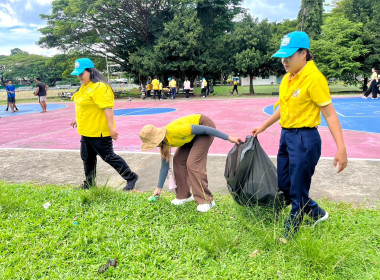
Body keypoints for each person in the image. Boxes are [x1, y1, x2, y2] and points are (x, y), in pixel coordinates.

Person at [252, 31, 348, 238]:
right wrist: (263, 126)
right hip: (286, 137)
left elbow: (330, 115)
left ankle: (291, 230)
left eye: (289, 56)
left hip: (305, 140)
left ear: (303, 53)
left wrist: (341, 148)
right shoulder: (288, 78)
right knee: (285, 185)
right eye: (282, 57)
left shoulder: (314, 79)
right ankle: (317, 212)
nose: (284, 61)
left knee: (297, 188)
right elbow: (283, 108)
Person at [139, 114, 241, 212]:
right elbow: (164, 167)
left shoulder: (174, 131)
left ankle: (207, 200)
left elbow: (206, 130)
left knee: (193, 163)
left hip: (204, 126)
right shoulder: (163, 143)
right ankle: (184, 196)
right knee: (178, 160)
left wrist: (229, 138)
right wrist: (159, 188)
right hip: (192, 136)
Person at [70, 58, 138, 190]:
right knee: (87, 158)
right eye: (77, 75)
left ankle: (131, 177)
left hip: (99, 131)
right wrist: (78, 119)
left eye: (81, 74)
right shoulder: (84, 87)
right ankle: (89, 184)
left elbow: (108, 108)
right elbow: (84, 106)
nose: (79, 77)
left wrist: (112, 129)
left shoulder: (100, 87)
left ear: (91, 71)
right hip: (86, 130)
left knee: (109, 157)